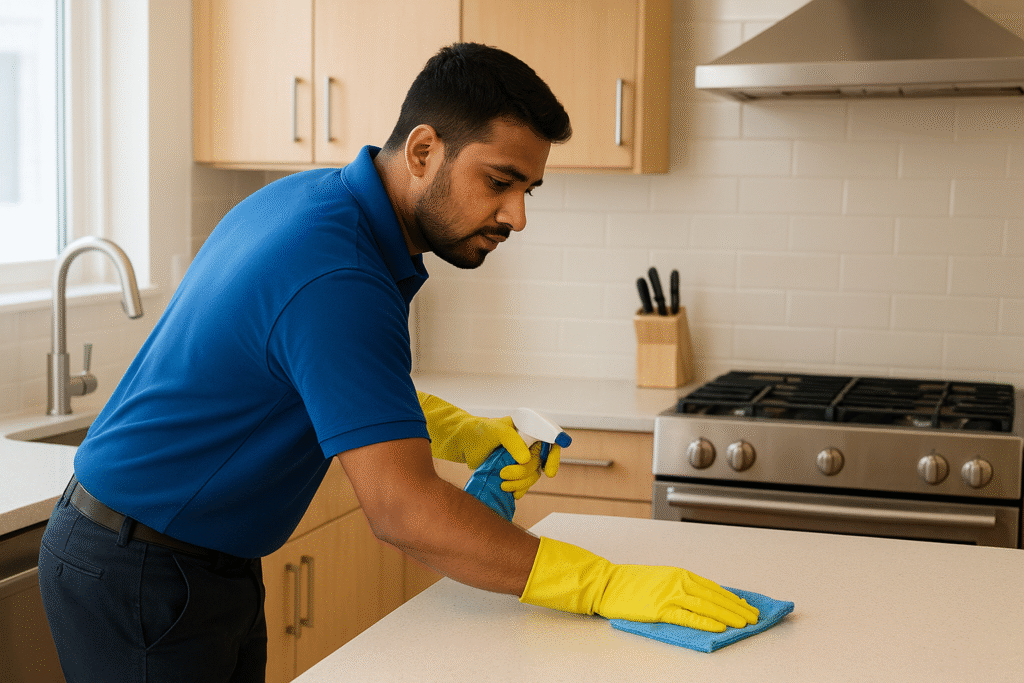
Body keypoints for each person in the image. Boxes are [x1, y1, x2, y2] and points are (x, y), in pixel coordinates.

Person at [38, 42, 757, 683]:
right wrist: (601, 584)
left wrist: (460, 431)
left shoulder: (323, 204)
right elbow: (403, 510)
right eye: (500, 181)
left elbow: (318, 378)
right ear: (422, 152)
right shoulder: (339, 271)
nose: (517, 215)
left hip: (184, 558)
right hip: (139, 570)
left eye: (528, 190)